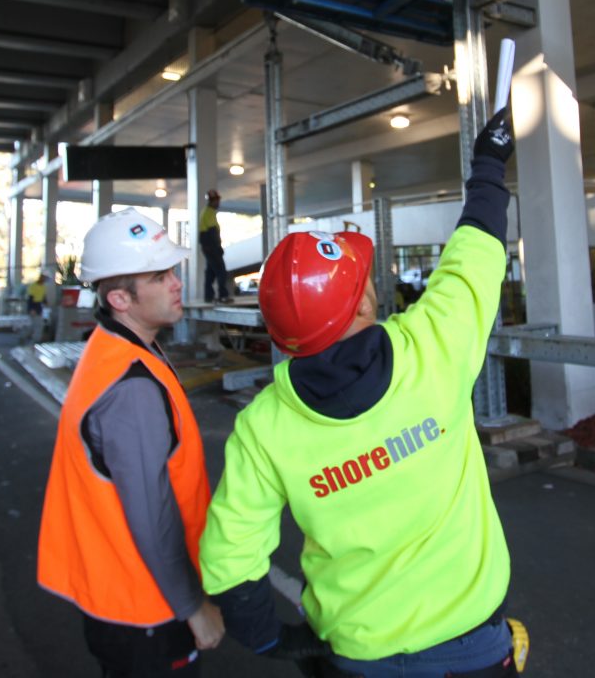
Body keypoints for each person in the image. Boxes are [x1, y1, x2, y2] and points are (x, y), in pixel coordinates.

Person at [199, 107, 518, 677]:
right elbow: (476, 254)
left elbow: (230, 558)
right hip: (473, 646)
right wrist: (490, 164)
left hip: (357, 654)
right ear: (366, 305)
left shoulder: (264, 426)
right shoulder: (433, 346)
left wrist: (270, 640)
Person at [37, 208, 225, 676]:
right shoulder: (132, 389)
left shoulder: (115, 347)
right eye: (160, 276)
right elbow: (151, 512)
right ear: (120, 298)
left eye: (172, 271)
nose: (176, 283)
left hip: (122, 593)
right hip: (146, 609)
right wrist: (192, 606)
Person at [198, 189, 231, 304]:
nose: (218, 203)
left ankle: (208, 296)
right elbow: (212, 232)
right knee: (221, 271)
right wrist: (218, 247)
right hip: (211, 247)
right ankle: (223, 295)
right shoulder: (209, 213)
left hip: (208, 246)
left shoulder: (207, 212)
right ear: (213, 201)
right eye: (217, 200)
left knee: (210, 272)